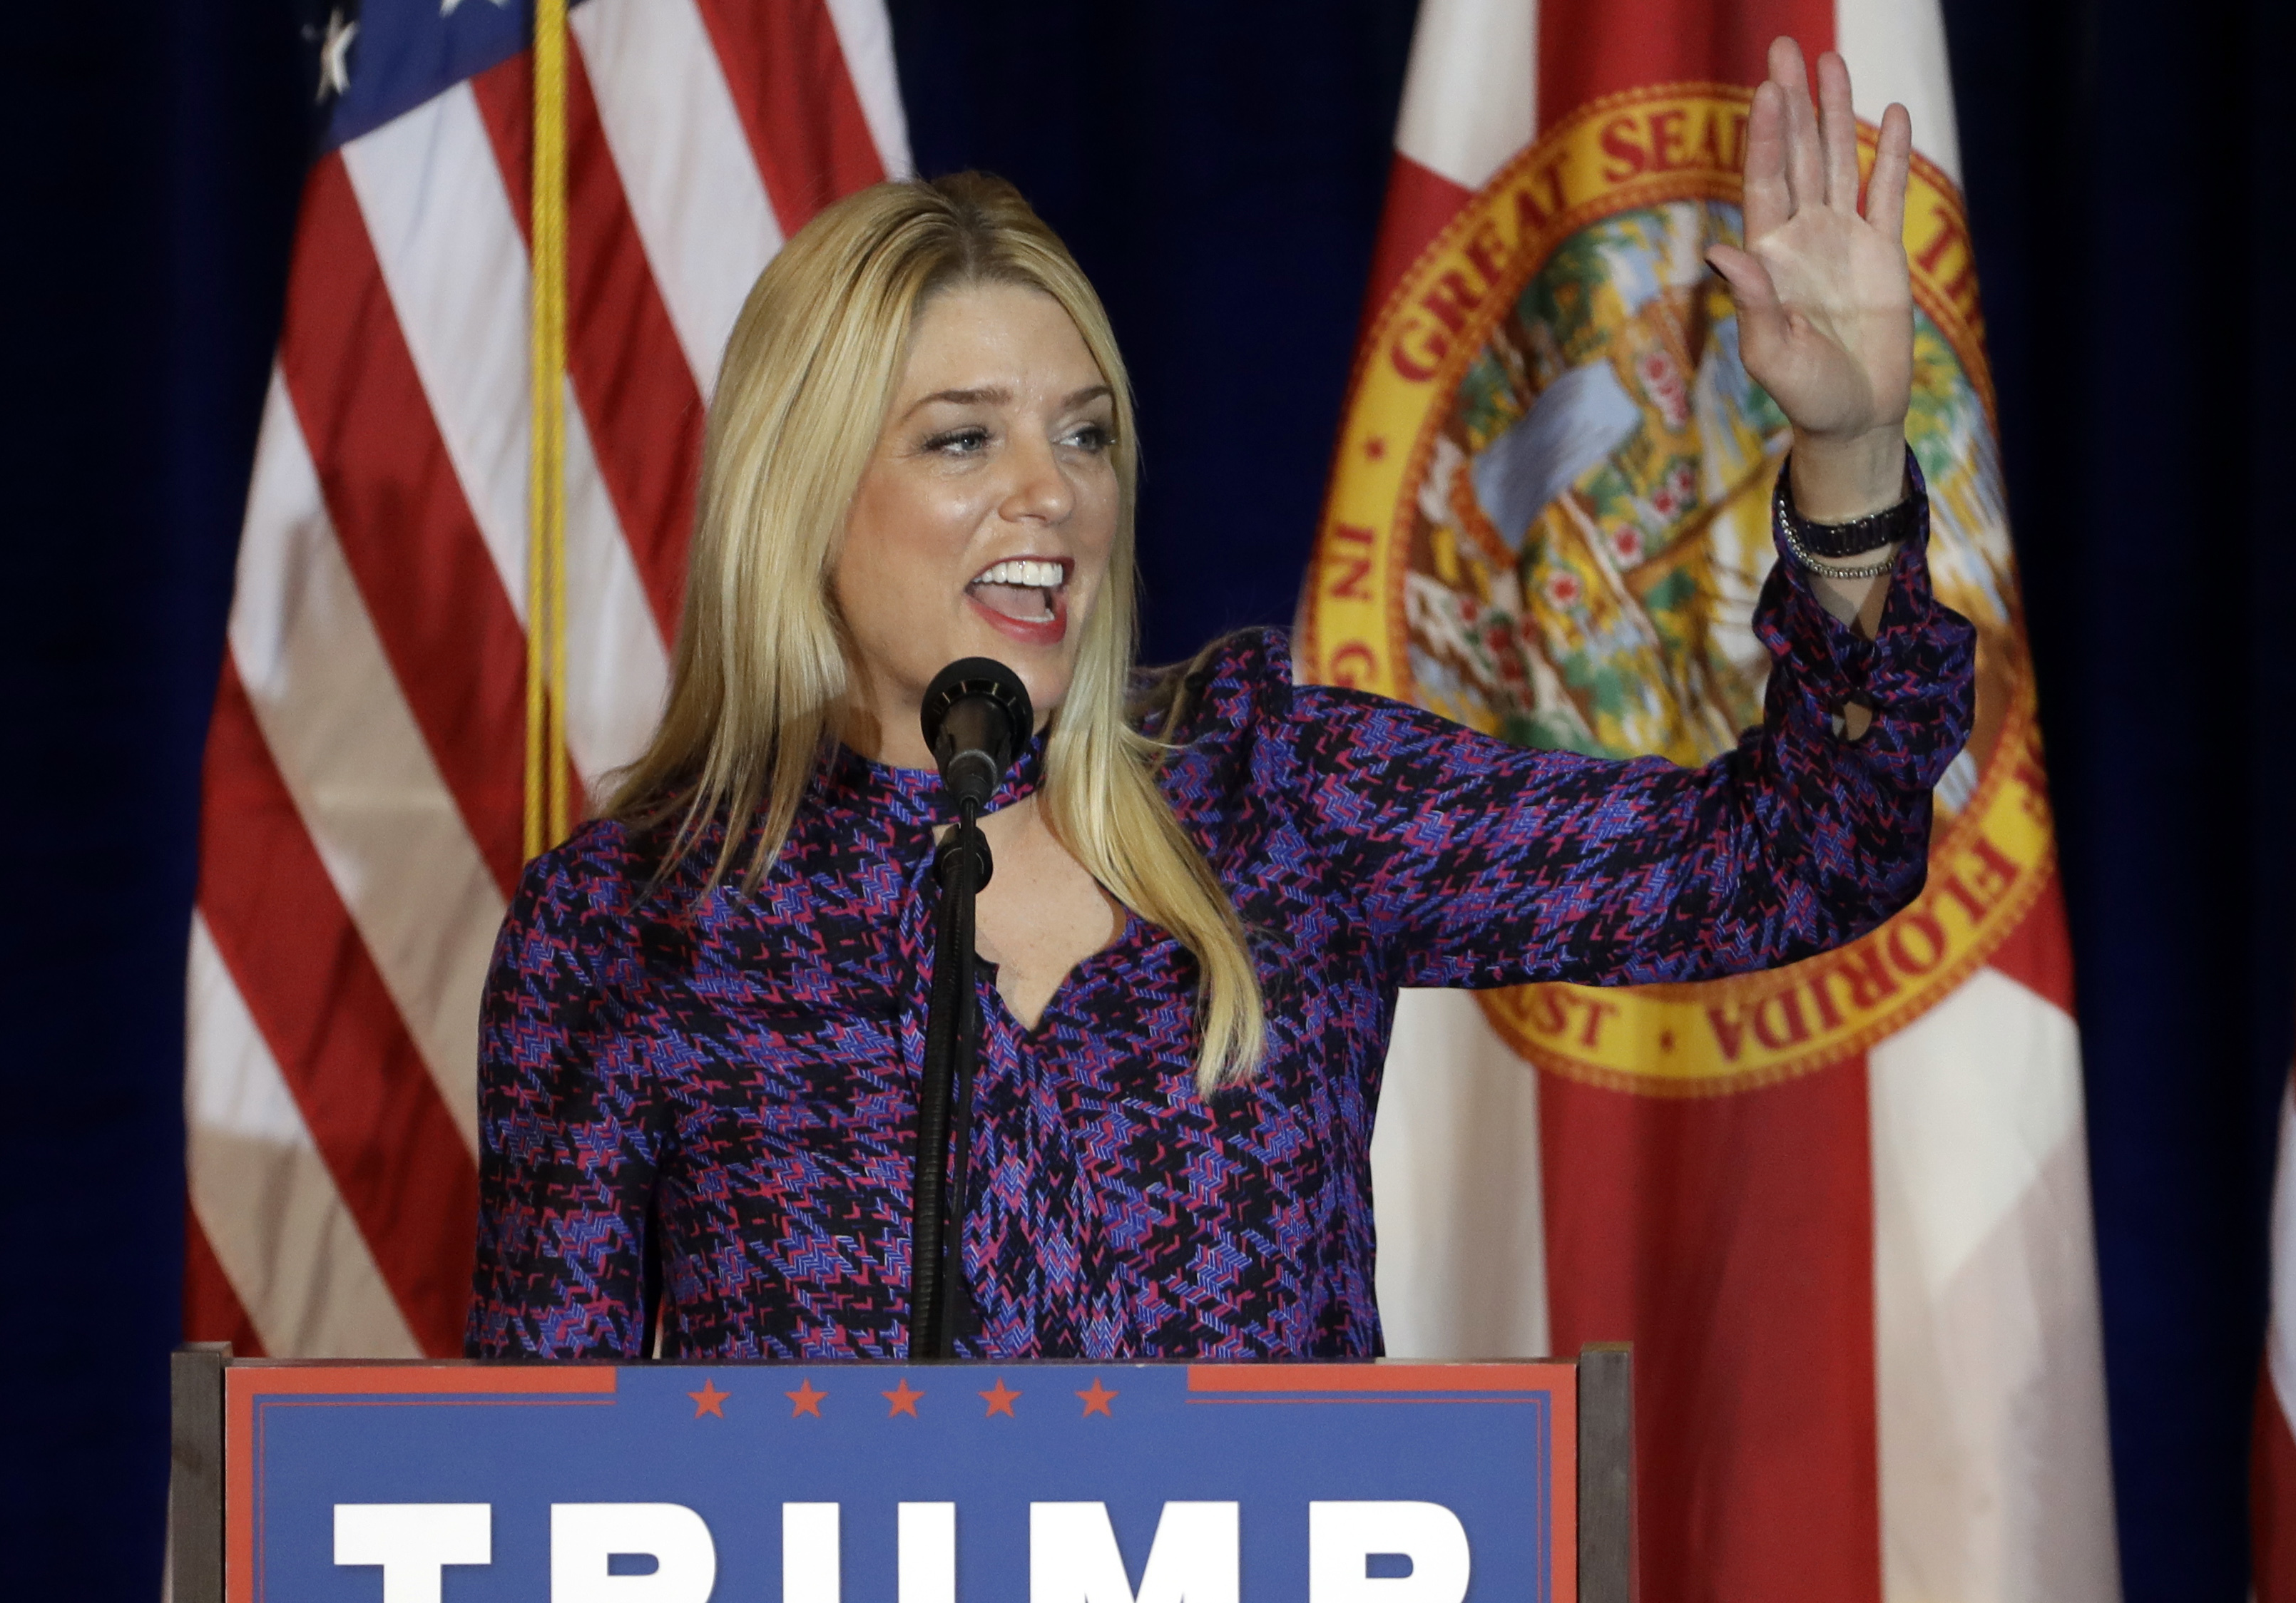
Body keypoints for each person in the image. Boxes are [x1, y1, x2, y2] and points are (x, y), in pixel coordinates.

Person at [464, 37, 1973, 1366]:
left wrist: (1848, 457)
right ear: (802, 491)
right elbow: (545, 1492)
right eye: (960, 442)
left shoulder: (1278, 796)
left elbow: (1803, 853)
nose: (1049, 491)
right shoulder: (636, 926)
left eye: (1085, 431)